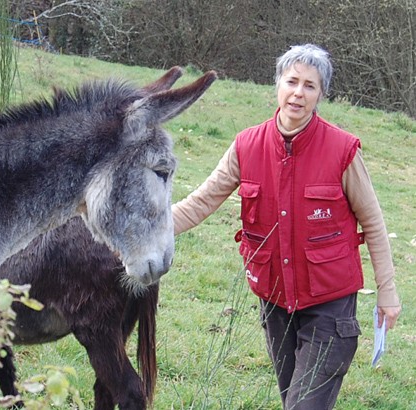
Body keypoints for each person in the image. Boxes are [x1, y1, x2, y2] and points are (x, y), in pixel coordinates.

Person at [172, 44, 401, 409]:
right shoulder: (246, 145)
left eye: (310, 85)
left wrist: (387, 292)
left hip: (329, 304)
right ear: (277, 84)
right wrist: (141, 231)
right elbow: (200, 202)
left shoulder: (343, 150)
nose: (298, 92)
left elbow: (373, 222)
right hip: (275, 301)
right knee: (293, 400)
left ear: (321, 94)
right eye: (292, 81)